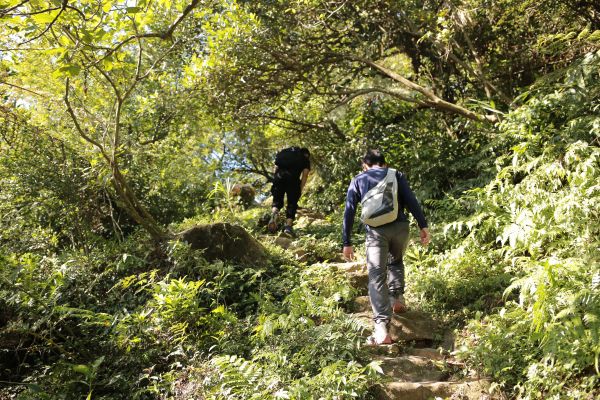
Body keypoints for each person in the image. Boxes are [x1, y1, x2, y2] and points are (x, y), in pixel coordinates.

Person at [342, 149, 430, 345]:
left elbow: (349, 211)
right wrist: (423, 225)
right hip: (400, 227)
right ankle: (397, 298)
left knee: (376, 276)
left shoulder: (358, 179)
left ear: (365, 165)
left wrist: (346, 242)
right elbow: (411, 200)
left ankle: (382, 329)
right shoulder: (395, 174)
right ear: (384, 162)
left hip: (376, 232)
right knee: (396, 261)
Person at [268, 147, 311, 237]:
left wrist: (275, 180)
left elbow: (276, 167)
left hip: (279, 177)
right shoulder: (304, 158)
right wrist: (300, 188)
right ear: (306, 154)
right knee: (292, 203)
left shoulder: (285, 153)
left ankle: (274, 214)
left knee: (277, 201)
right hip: (292, 180)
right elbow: (305, 175)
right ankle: (288, 227)